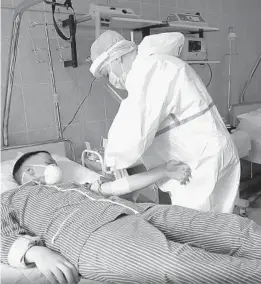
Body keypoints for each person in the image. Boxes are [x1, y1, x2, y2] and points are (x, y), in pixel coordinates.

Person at [1, 151, 261, 284]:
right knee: (176, 265)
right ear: (28, 173)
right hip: (88, 235)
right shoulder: (13, 198)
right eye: (46, 162)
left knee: (229, 229)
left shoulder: (76, 186)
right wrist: (35, 253)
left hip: (139, 211)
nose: (54, 167)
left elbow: (119, 187)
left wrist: (163, 170)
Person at [89, 30, 241, 213]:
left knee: (200, 230)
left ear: (116, 59)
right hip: (207, 153)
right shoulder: (158, 64)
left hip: (203, 161)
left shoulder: (150, 70)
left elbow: (133, 134)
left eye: (107, 74)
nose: (111, 80)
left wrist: (111, 161)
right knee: (219, 224)